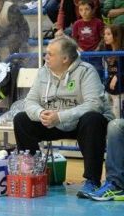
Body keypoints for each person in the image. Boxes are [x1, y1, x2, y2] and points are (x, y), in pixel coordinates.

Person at [14, 37, 112, 198]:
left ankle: (92, 181)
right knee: (21, 120)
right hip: (53, 122)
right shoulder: (43, 72)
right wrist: (40, 113)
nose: (46, 57)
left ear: (65, 58)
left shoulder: (86, 71)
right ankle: (34, 173)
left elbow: (95, 104)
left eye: (50, 54)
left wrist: (60, 116)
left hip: (81, 124)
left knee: (93, 118)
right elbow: (30, 101)